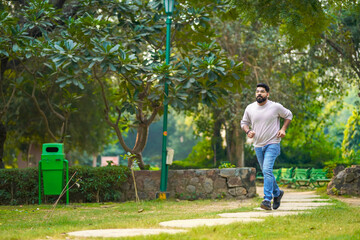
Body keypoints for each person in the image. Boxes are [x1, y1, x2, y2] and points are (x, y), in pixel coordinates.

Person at [241, 83, 293, 210]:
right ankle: (277, 193)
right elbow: (244, 123)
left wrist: (283, 129)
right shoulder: (250, 108)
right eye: (257, 91)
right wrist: (248, 131)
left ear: (267, 94)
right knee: (266, 171)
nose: (259, 93)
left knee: (267, 170)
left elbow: (289, 115)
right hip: (258, 145)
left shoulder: (275, 107)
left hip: (273, 143)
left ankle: (267, 199)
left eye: (262, 91)